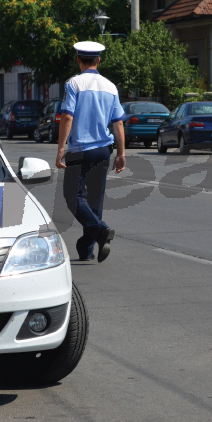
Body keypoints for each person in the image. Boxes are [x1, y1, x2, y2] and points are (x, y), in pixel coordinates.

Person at [55, 41, 126, 263]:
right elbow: (118, 123)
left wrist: (60, 148)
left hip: (79, 150)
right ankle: (86, 248)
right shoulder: (111, 87)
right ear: (99, 60)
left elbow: (67, 116)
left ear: (78, 60)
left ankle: (100, 230)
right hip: (103, 151)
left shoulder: (73, 84)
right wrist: (121, 153)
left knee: (72, 196)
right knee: (95, 201)